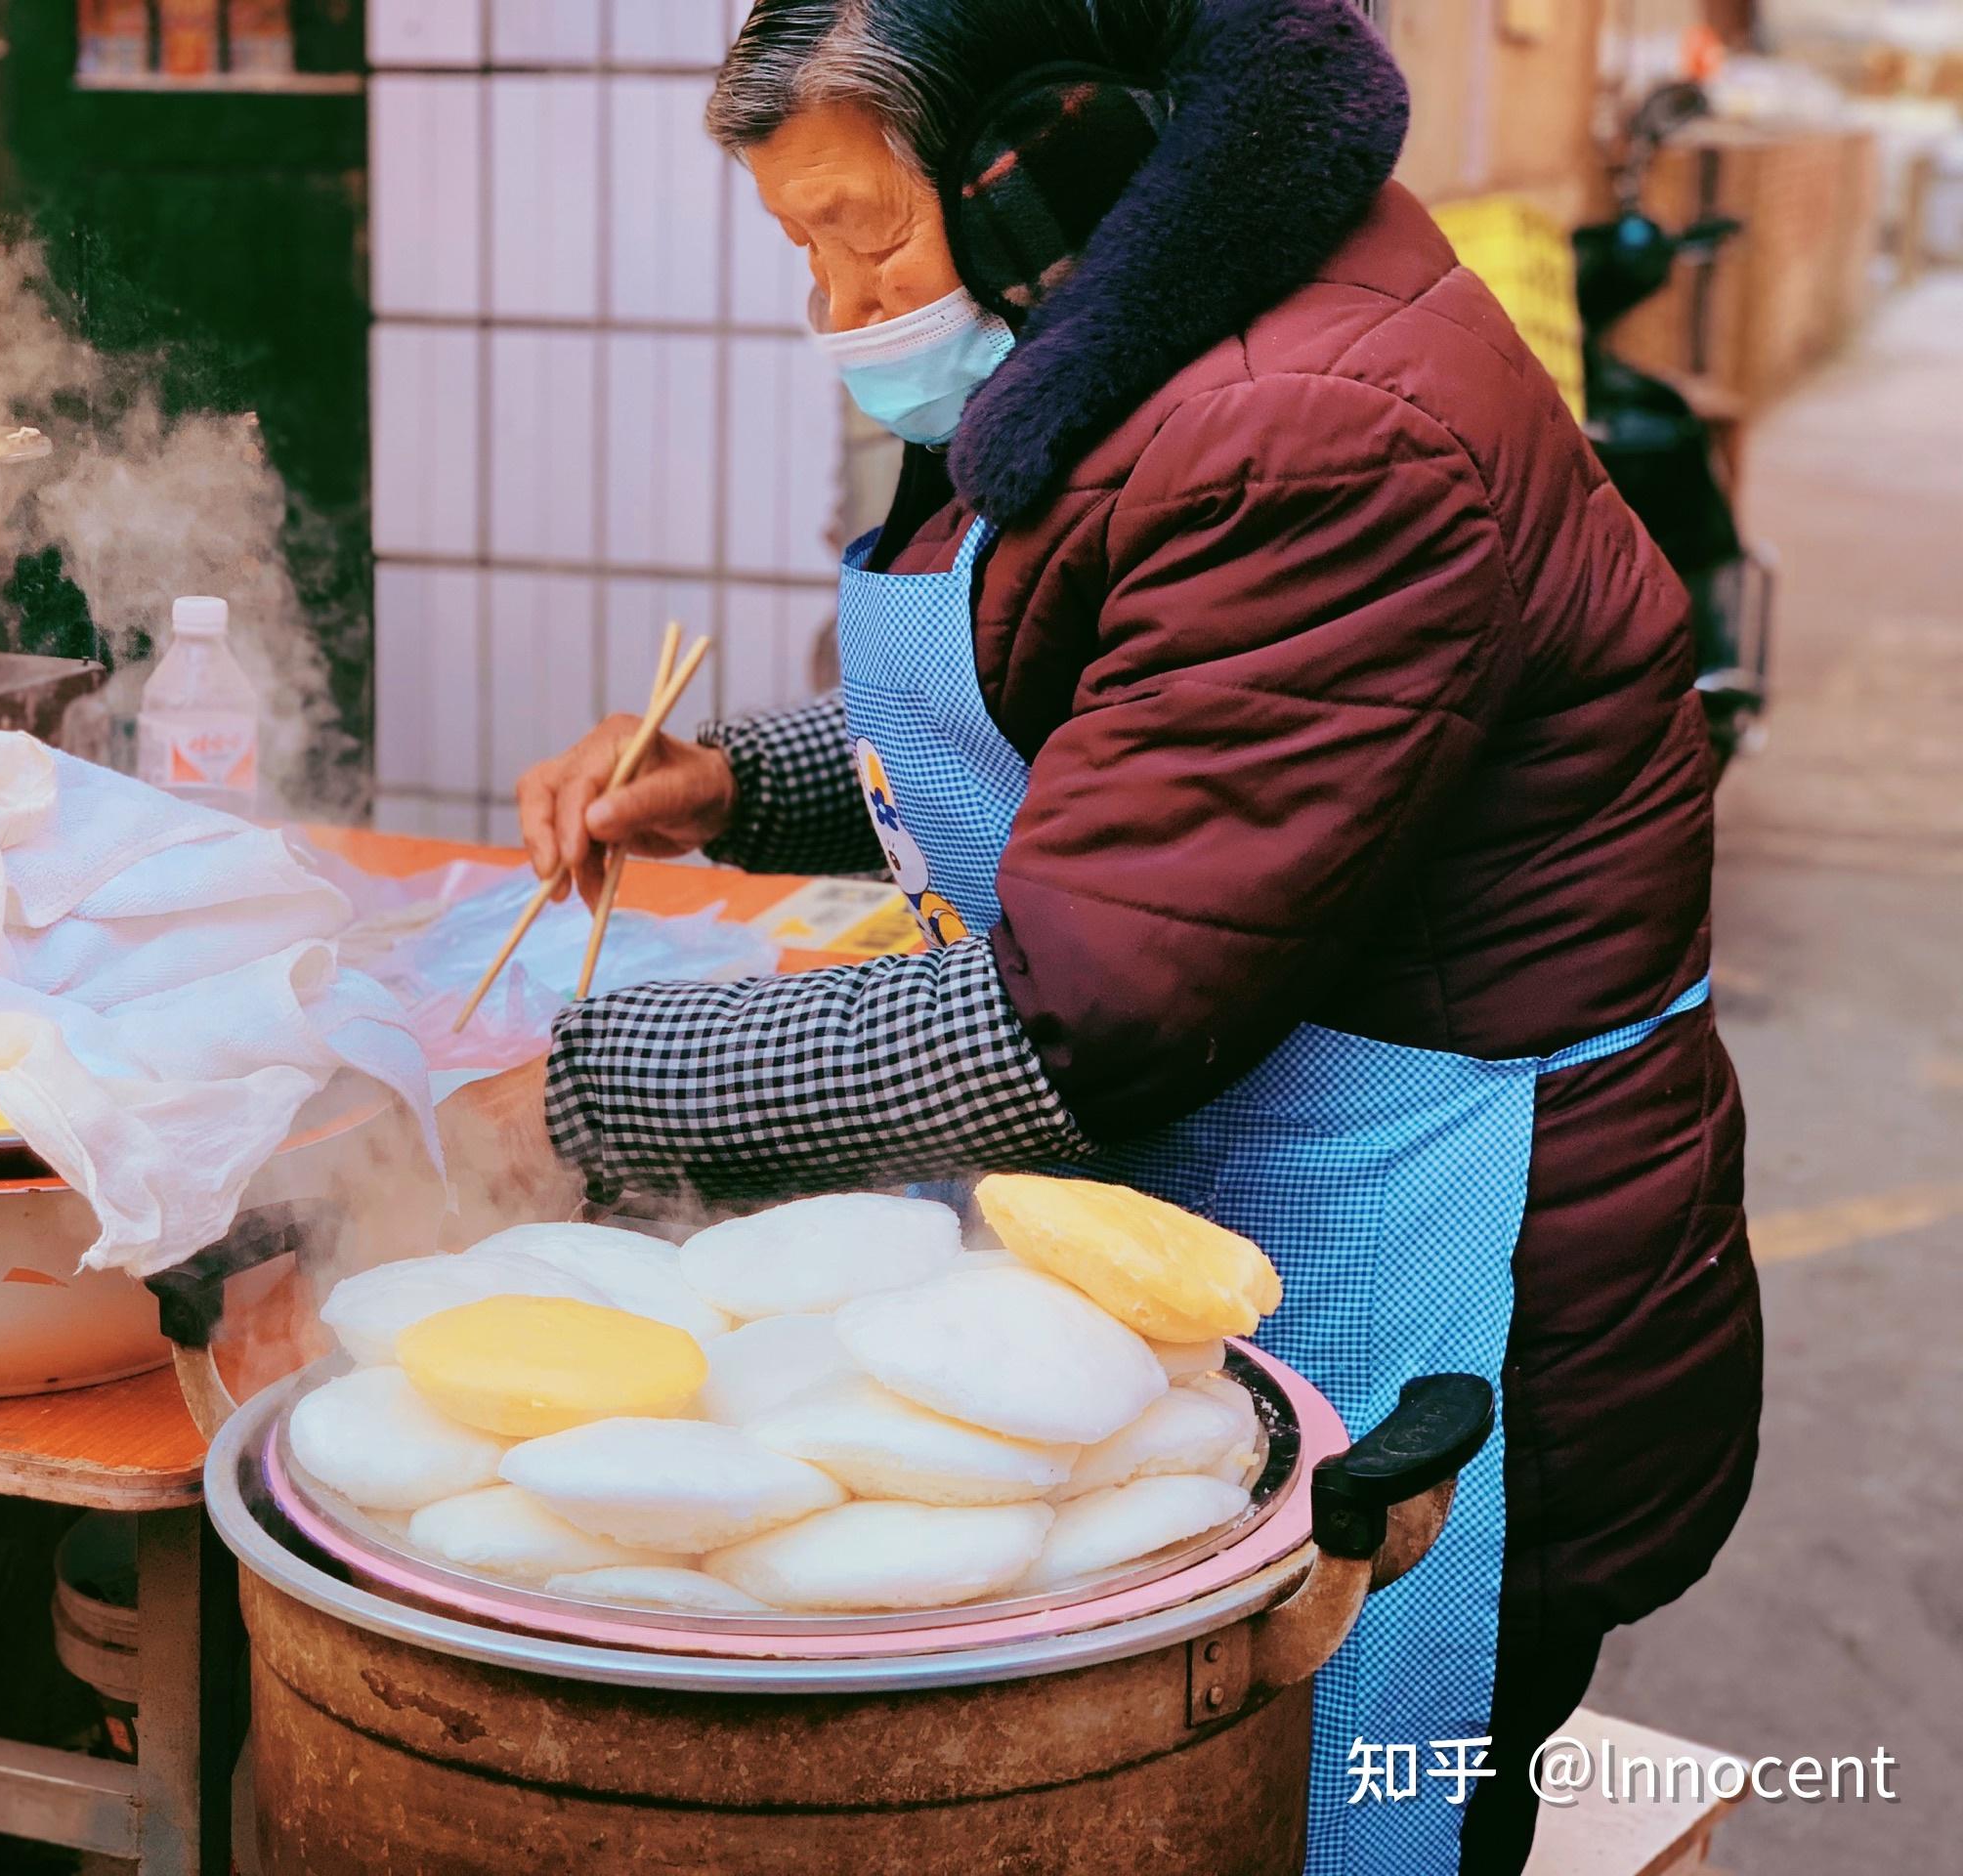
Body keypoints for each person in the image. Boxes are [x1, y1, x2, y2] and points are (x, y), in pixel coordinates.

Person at [444, 3, 1762, 1868]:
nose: (834, 309)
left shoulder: (1310, 429)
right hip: (1268, 1190)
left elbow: (1087, 1018)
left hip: (1467, 1292)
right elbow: (1103, 722)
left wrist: (595, 1087)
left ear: (1048, 157)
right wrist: (737, 785)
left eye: (865, 233)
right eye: (800, 248)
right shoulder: (1154, 332)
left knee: (1354, 1812)